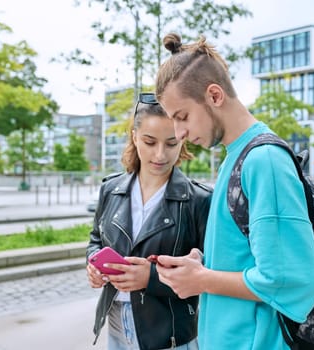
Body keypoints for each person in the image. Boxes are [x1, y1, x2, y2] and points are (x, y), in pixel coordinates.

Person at [154, 33, 314, 350]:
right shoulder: (236, 156)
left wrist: (201, 280)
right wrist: (204, 263)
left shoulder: (264, 161)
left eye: (183, 117)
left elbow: (293, 279)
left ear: (214, 96)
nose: (180, 133)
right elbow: (252, 257)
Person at [86, 92, 212, 350]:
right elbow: (96, 239)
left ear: (182, 140)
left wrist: (151, 278)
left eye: (171, 143)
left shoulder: (199, 200)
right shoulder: (110, 189)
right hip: (116, 327)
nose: (160, 154)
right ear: (134, 137)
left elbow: (211, 272)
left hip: (171, 337)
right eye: (149, 141)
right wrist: (93, 264)